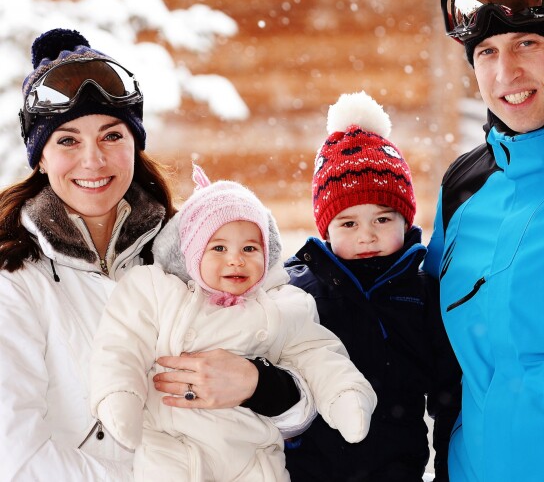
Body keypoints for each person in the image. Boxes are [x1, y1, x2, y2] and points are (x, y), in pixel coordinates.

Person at [0, 28, 312, 481]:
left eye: (111, 135)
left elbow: (302, 394)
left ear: (134, 143)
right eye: (67, 140)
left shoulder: (195, 246)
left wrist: (259, 385)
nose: (93, 160)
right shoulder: (15, 280)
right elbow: (16, 455)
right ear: (41, 157)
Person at [90, 166, 377, 481]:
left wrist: (344, 393)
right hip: (173, 446)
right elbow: (121, 344)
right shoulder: (160, 291)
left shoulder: (282, 305)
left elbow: (318, 355)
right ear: (193, 254)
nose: (236, 259)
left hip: (252, 454)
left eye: (250, 248)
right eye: (219, 248)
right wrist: (120, 395)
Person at [423, 0, 544, 482]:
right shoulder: (464, 187)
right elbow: (439, 355)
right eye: (485, 52)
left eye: (527, 43)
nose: (505, 70)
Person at [284, 91, 462, 481]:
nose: (367, 236)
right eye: (348, 223)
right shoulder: (296, 289)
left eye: (382, 219)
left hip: (396, 469)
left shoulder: (422, 293)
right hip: (308, 470)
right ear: (326, 230)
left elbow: (449, 395)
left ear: (405, 220)